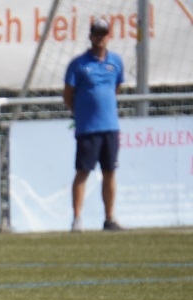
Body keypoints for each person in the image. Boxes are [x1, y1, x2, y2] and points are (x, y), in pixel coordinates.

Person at [63, 17, 125, 232]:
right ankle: (77, 219)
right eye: (96, 33)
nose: (100, 37)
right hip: (88, 128)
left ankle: (109, 218)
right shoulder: (78, 64)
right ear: (90, 36)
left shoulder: (116, 62)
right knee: (83, 172)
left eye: (103, 33)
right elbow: (68, 95)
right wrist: (81, 113)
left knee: (110, 172)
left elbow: (116, 89)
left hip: (110, 126)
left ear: (109, 36)